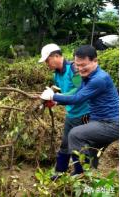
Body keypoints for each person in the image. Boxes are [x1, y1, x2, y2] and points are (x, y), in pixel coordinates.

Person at [40, 45, 119, 175]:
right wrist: (56, 101)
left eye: (83, 65)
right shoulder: (73, 75)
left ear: (95, 61)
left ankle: (80, 174)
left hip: (96, 118)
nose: (80, 69)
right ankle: (79, 176)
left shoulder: (97, 78)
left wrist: (53, 96)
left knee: (75, 135)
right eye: (78, 65)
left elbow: (77, 96)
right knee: (87, 149)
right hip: (91, 118)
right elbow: (77, 92)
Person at [38, 44, 89, 179]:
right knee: (65, 143)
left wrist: (57, 98)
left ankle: (82, 175)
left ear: (56, 56)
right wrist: (53, 99)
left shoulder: (73, 69)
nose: (46, 64)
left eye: (47, 60)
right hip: (71, 114)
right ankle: (59, 172)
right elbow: (62, 92)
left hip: (84, 114)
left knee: (80, 146)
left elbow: (80, 90)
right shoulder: (56, 75)